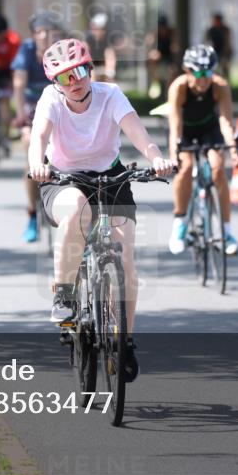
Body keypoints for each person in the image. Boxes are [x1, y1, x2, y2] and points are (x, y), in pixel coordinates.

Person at [29, 38, 175, 382]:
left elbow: (139, 135)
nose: (74, 82)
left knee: (126, 257)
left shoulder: (110, 95)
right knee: (77, 210)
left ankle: (125, 342)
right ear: (55, 82)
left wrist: (157, 159)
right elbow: (39, 137)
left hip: (110, 178)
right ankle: (64, 295)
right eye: (64, 77)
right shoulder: (51, 100)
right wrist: (37, 163)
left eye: (79, 72)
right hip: (63, 179)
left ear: (90, 69)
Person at [166, 45, 238, 256]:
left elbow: (226, 122)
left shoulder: (220, 86)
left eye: (208, 73)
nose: (204, 79)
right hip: (184, 131)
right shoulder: (179, 87)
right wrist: (174, 156)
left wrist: (234, 150)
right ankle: (180, 224)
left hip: (209, 130)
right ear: (187, 71)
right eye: (199, 74)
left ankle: (226, 233)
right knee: (185, 167)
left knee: (218, 168)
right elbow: (175, 126)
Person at [12, 11, 63, 243]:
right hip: (33, 107)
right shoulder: (26, 50)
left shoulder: (62, 51)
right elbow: (19, 85)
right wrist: (21, 117)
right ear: (33, 35)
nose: (44, 36)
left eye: (48, 31)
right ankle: (32, 213)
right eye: (39, 32)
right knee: (31, 152)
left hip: (59, 105)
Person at [146, 14, 178, 99]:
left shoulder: (171, 33)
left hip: (169, 59)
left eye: (163, 26)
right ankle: (155, 82)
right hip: (159, 59)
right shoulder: (155, 34)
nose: (162, 29)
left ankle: (169, 93)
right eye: (160, 26)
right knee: (153, 57)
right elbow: (149, 45)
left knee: (173, 71)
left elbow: (175, 49)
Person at [85, 12, 117, 82]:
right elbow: (86, 58)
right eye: (93, 28)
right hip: (91, 64)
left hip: (102, 63)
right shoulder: (88, 38)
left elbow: (110, 56)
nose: (95, 31)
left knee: (109, 77)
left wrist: (110, 74)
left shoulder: (108, 38)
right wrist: (92, 74)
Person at [203, 12, 234, 78]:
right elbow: (206, 42)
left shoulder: (225, 30)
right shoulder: (210, 30)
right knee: (210, 69)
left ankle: (224, 81)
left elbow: (227, 43)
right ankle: (210, 81)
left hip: (224, 53)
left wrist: (226, 55)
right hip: (213, 52)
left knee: (224, 69)